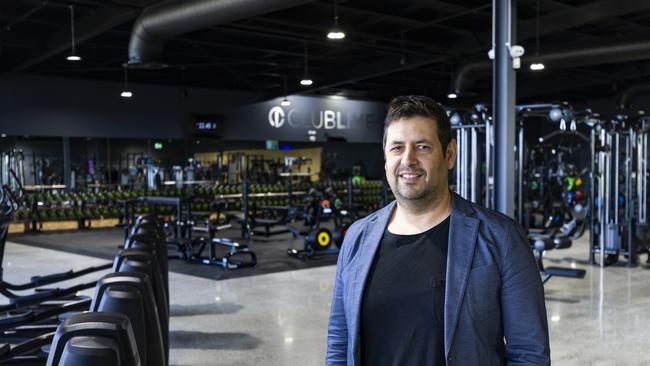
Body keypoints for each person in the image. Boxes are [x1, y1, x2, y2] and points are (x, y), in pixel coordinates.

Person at [326, 95, 550, 366]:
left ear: (449, 155)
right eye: (397, 148)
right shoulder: (357, 239)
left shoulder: (501, 238)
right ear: (385, 158)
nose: (408, 160)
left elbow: (529, 353)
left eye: (422, 147)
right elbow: (340, 341)